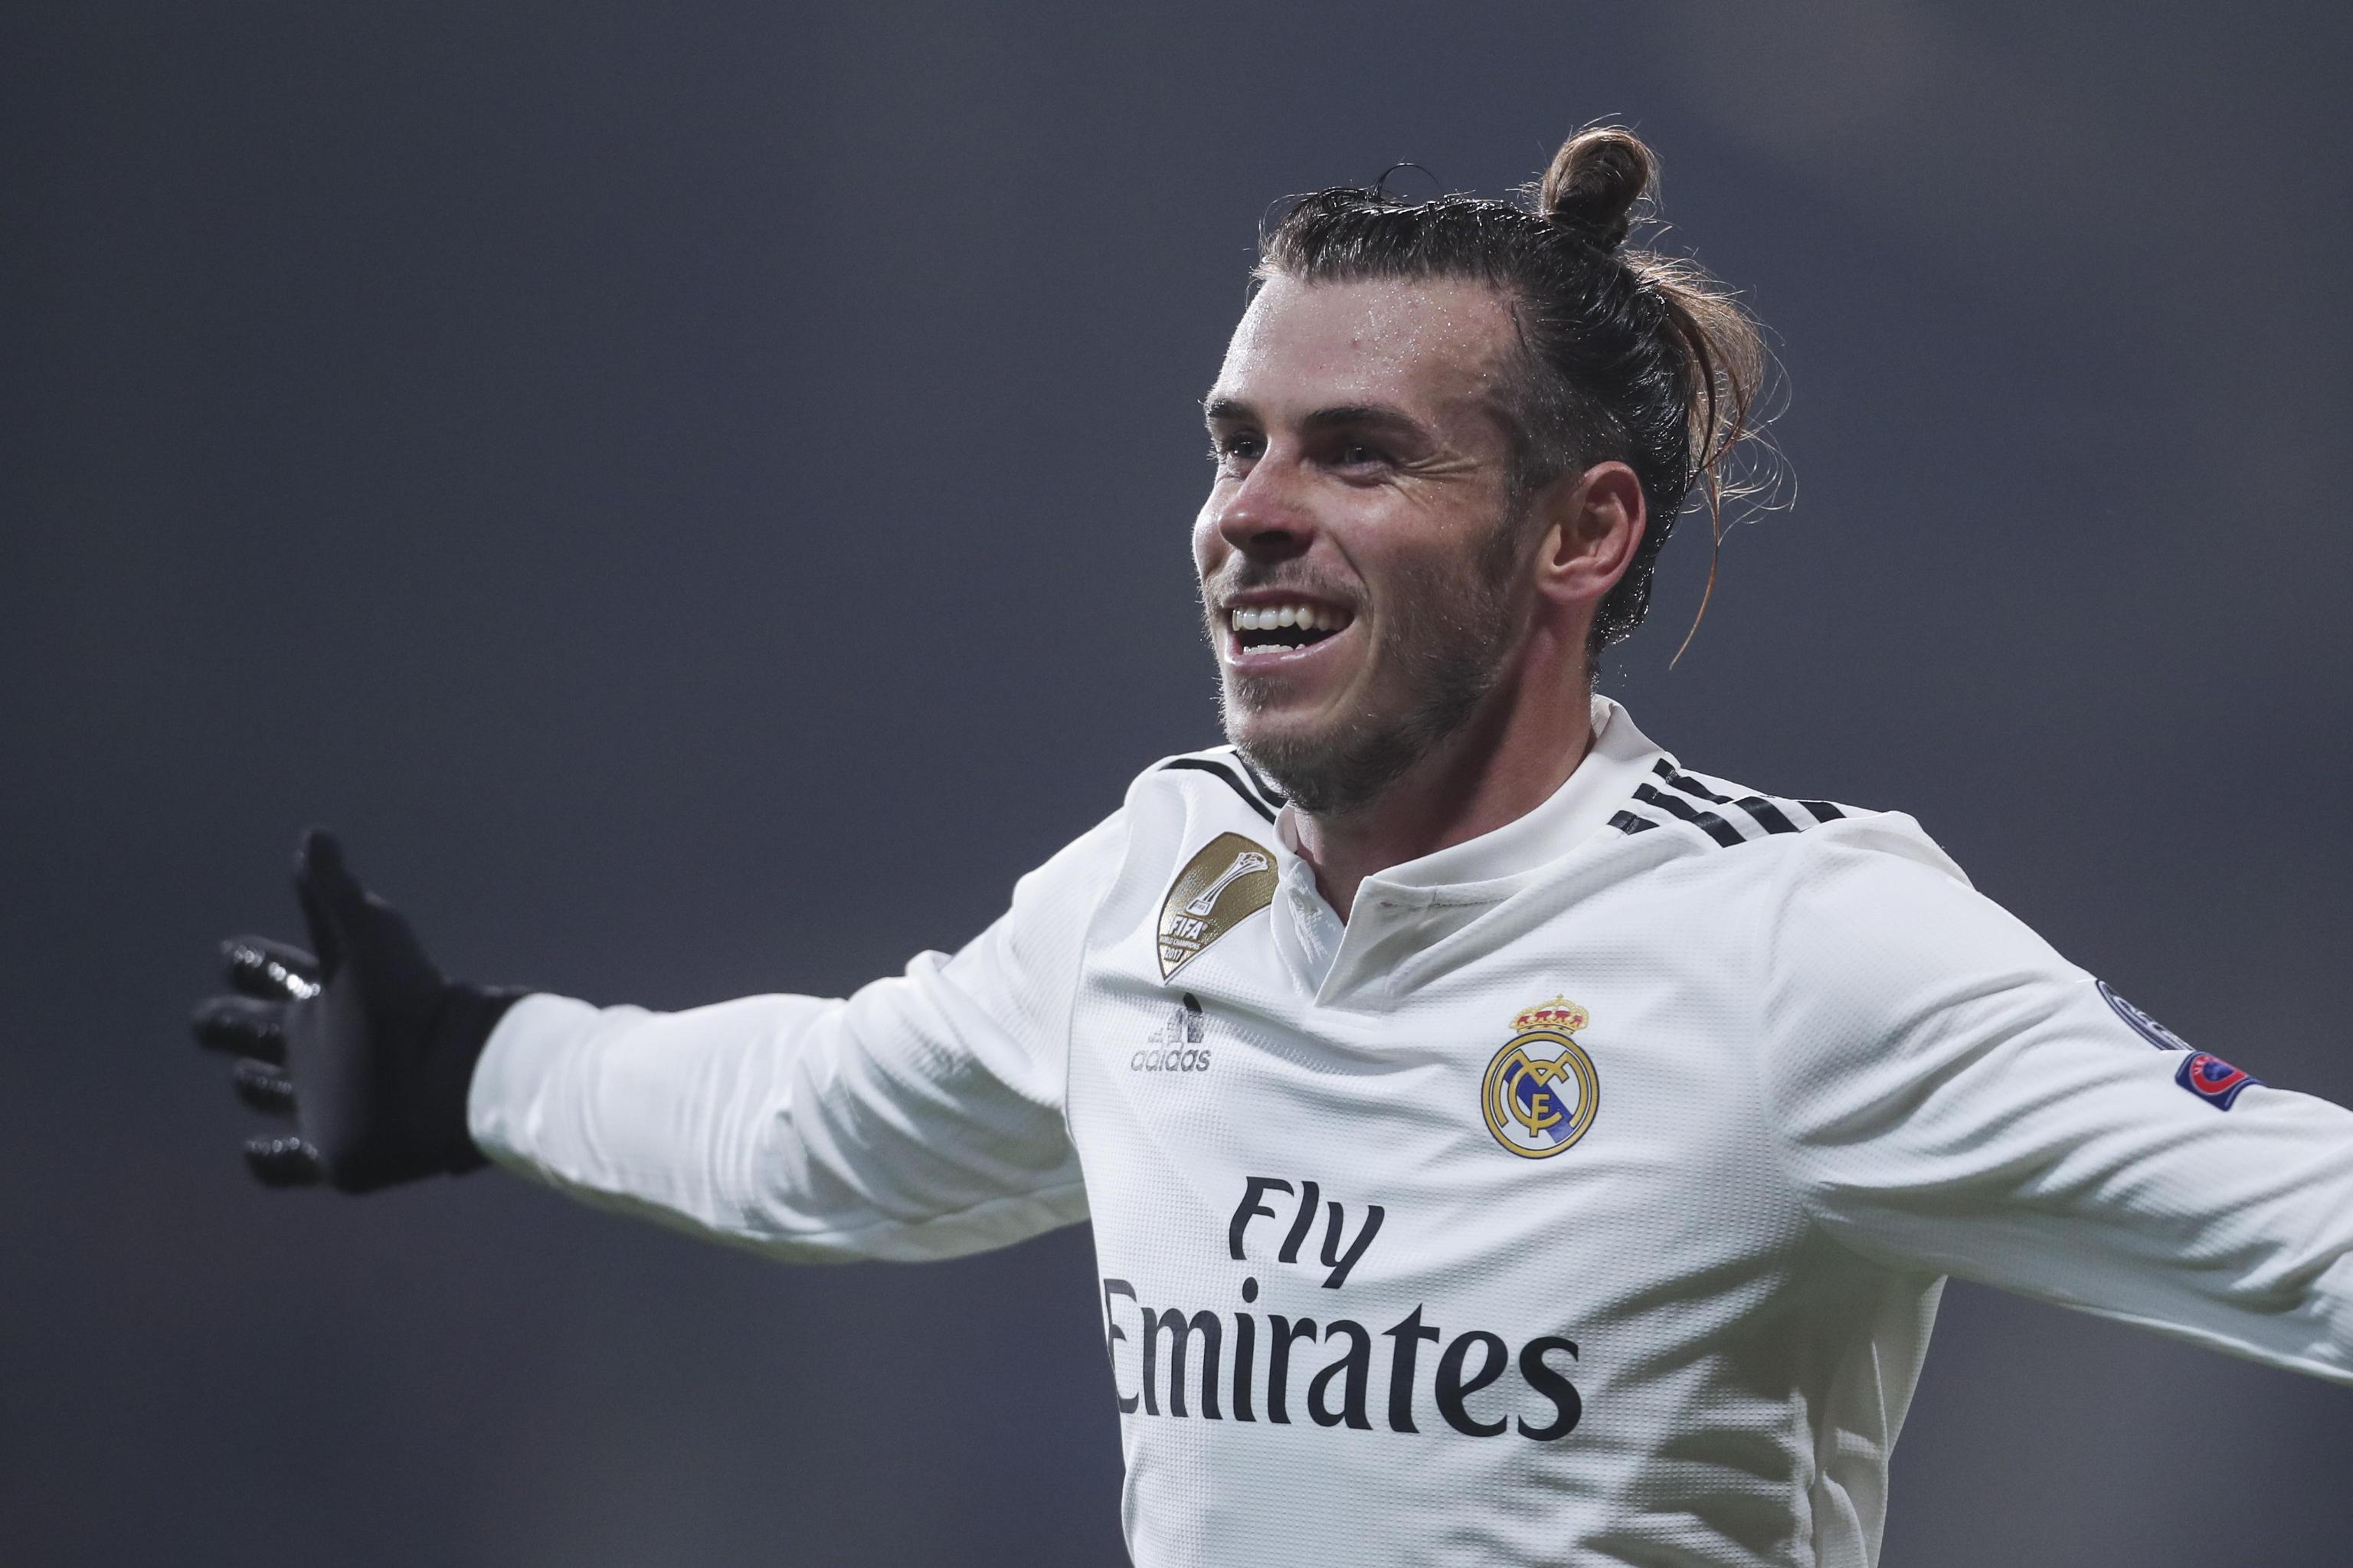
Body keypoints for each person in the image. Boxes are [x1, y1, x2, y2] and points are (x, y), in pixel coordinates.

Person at [188, 127, 2353, 1568]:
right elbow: (817, 1127)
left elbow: (2306, 1225)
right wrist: (473, 1065)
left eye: (1360, 455)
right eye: (1237, 448)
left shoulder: (1801, 945)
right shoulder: (1161, 888)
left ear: (1581, 533)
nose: (1253, 515)